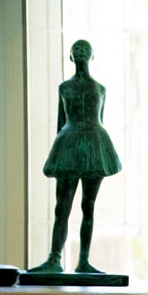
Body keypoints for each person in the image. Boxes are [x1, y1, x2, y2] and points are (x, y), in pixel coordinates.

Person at [28, 39, 122, 274]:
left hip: (95, 145)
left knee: (88, 206)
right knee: (62, 207)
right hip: (69, 143)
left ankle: (83, 261)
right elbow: (61, 122)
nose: (80, 52)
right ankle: (54, 259)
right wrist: (59, 151)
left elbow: (100, 119)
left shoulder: (100, 88)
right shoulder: (64, 88)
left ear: (92, 55)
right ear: (71, 56)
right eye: (76, 49)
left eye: (85, 49)